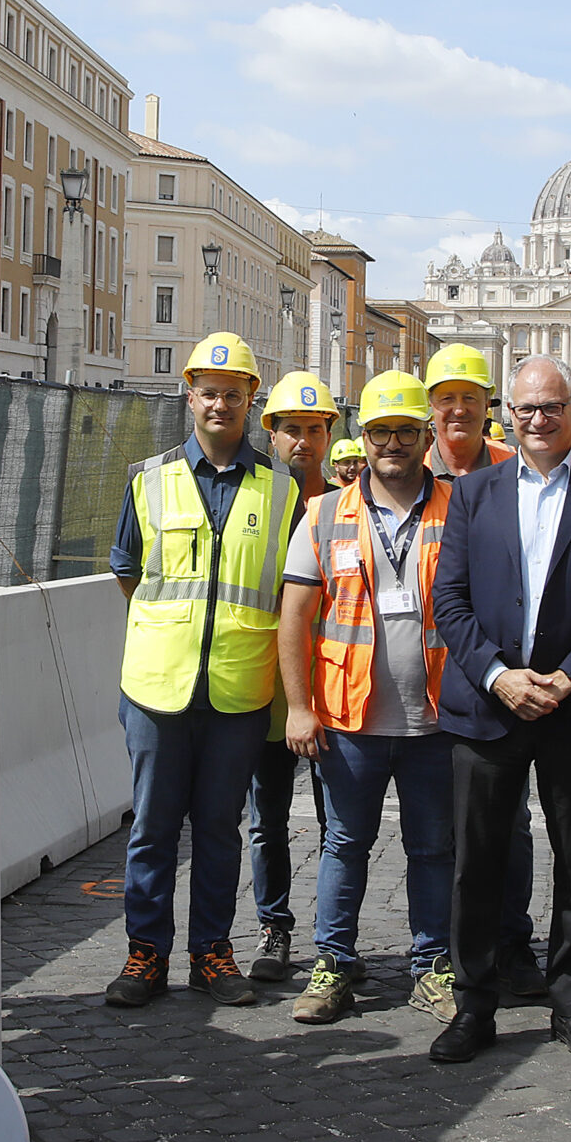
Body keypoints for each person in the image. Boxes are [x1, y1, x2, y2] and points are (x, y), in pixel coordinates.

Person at [424, 356, 571, 1063]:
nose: (539, 419)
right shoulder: (473, 494)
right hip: (488, 707)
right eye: (526, 408)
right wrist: (499, 676)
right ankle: (474, 1004)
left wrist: (566, 678)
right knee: (477, 865)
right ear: (507, 414)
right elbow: (449, 600)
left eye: (551, 406)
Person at [104, 333, 299, 1009]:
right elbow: (126, 570)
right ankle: (146, 953)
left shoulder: (281, 489)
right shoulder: (149, 478)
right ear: (190, 395)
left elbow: (288, 588)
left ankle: (212, 952)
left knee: (218, 828)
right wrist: (175, 633)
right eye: (208, 390)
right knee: (154, 826)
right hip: (158, 685)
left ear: (252, 399)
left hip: (239, 688)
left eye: (233, 391)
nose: (220, 402)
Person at [277, 373, 456, 1023]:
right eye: (382, 431)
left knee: (433, 846)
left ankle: (432, 964)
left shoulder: (456, 509)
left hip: (435, 718)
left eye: (406, 431)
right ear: (366, 437)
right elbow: (294, 616)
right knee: (344, 843)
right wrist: (299, 706)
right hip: (349, 718)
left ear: (424, 437)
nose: (393, 443)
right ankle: (332, 964)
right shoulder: (325, 516)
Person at [422, 343, 545, 999]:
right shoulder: (407, 473)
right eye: (448, 399)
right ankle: (450, 947)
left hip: (496, 679)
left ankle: (512, 940)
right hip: (426, 682)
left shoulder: (515, 470)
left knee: (512, 822)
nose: (459, 409)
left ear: (486, 405)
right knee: (440, 828)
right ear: (432, 409)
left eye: (471, 397)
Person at [245, 373, 342, 983]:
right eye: (291, 430)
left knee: (340, 824)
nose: (303, 441)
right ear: (272, 435)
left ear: (330, 434)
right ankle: (274, 927)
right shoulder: (255, 504)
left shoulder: (344, 506)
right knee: (268, 819)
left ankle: (338, 943)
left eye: (313, 429)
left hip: (331, 691)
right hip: (268, 689)